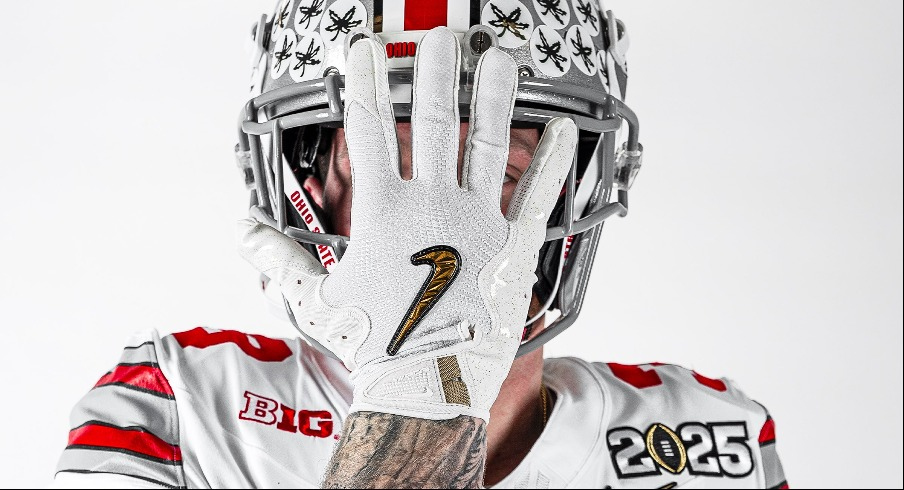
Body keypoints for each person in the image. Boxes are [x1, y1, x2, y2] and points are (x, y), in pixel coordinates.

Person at [52, 1, 787, 488]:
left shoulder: (711, 440)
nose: (442, 229)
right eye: (388, 165)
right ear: (306, 181)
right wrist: (413, 399)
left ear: (576, 189)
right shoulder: (180, 410)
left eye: (497, 167)